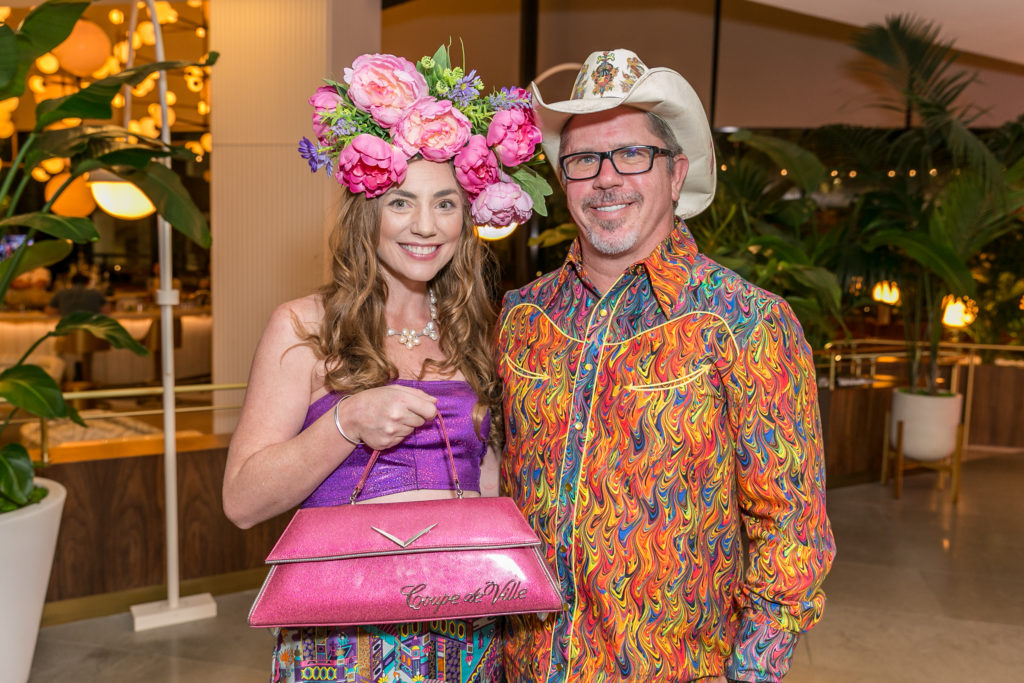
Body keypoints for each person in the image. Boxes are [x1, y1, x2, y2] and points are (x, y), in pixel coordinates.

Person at [497, 49, 835, 682]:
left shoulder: (745, 322)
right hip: (527, 666)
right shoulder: (522, 318)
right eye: (583, 160)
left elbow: (792, 530)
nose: (606, 179)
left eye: (631, 154)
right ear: (564, 180)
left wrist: (751, 672)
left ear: (676, 174)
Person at [223, 47, 547, 683]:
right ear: (367, 210)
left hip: (465, 627)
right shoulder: (304, 327)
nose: (425, 226)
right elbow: (242, 501)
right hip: (344, 636)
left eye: (446, 203)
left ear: (468, 218)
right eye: (401, 201)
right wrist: (345, 423)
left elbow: (489, 484)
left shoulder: (479, 332)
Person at [46, 272, 110, 316]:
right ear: (87, 283)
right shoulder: (96, 293)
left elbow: (50, 312)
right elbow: (106, 311)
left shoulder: (61, 293)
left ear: (71, 282)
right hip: (92, 327)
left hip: (67, 327)